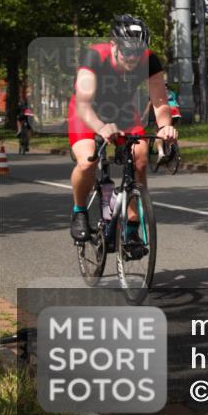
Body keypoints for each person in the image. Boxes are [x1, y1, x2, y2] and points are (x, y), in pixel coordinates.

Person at [68, 15, 177, 245]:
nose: (133, 58)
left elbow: (160, 102)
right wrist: (100, 127)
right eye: (127, 52)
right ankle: (79, 211)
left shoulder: (150, 60)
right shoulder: (94, 55)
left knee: (139, 157)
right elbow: (83, 104)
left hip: (122, 111)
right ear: (113, 45)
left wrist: (165, 126)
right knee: (87, 161)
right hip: (87, 112)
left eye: (138, 52)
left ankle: (132, 225)